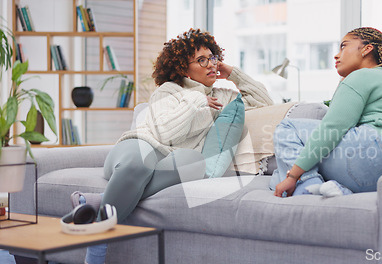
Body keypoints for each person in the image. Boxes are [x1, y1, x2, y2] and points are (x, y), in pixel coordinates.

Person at [77, 28, 273, 264]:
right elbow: (166, 132)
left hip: (171, 158)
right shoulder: (168, 90)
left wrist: (234, 74)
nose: (211, 64)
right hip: (139, 147)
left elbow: (265, 104)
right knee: (142, 163)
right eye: (201, 60)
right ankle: (96, 248)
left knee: (193, 160)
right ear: (182, 67)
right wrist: (198, 100)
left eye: (213, 58)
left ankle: (99, 201)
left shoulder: (223, 97)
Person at [270, 27, 382, 198]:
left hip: (374, 152)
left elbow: (331, 129)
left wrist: (294, 175)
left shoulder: (362, 76)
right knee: (276, 178)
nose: (336, 55)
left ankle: (307, 186)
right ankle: (338, 189)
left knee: (287, 127)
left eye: (343, 46)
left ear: (366, 49)